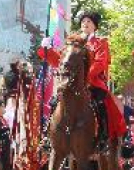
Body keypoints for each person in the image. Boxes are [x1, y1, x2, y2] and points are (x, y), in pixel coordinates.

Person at [40, 11, 127, 147]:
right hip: (70, 83)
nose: (85, 23)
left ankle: (103, 137)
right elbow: (61, 61)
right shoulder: (72, 42)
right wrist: (47, 50)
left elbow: (100, 62)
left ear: (95, 26)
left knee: (101, 104)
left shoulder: (100, 42)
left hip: (92, 83)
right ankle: (48, 134)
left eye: (89, 21)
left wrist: (84, 76)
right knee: (55, 101)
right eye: (83, 21)